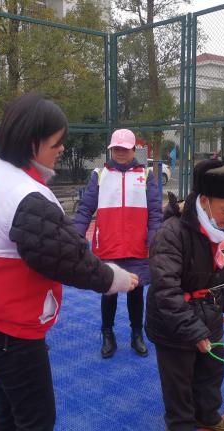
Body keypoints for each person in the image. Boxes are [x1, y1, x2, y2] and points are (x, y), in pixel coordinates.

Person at [0, 94, 138, 431]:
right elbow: (65, 258)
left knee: (8, 409)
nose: (62, 149)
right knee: (35, 421)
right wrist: (113, 278)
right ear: (31, 142)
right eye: (56, 142)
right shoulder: (26, 194)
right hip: (7, 325)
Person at [145, 159, 224, 431]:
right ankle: (179, 424)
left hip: (210, 311)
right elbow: (166, 290)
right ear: (204, 201)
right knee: (178, 376)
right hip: (173, 319)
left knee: (212, 369)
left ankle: (207, 413)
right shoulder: (172, 232)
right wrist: (193, 331)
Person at [73, 129, 162, 358]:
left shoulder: (146, 176)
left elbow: (155, 212)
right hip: (108, 246)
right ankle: (107, 333)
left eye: (125, 148)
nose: (120, 152)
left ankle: (136, 334)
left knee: (136, 291)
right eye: (116, 148)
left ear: (134, 150)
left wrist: (153, 240)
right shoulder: (99, 175)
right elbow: (85, 209)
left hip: (137, 246)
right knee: (109, 290)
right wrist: (77, 236)